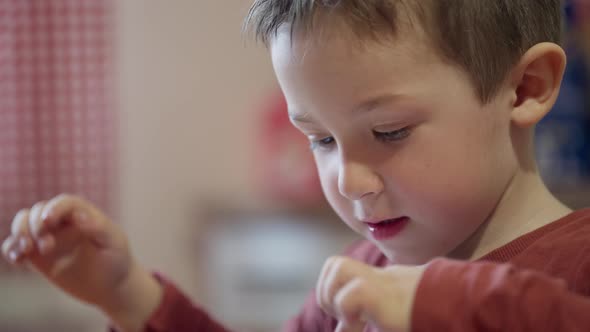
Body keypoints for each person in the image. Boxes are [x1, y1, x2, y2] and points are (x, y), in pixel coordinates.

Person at [3, 1, 590, 331]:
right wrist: (129, 298)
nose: (346, 181)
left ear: (524, 89)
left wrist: (433, 303)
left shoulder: (575, 268)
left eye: (389, 131)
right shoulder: (360, 277)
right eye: (319, 138)